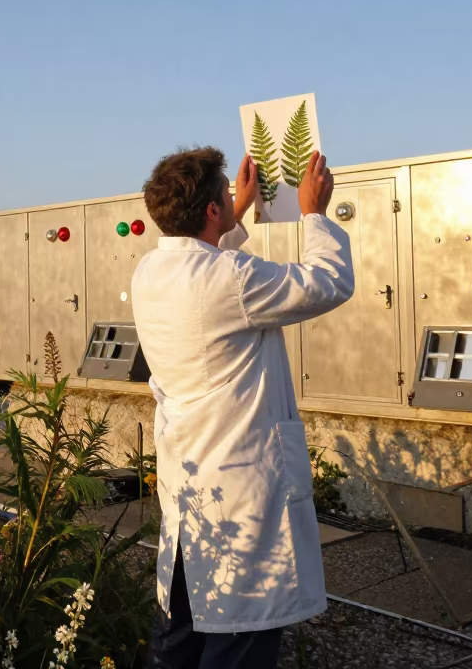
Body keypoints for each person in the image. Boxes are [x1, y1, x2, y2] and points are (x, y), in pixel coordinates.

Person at [131, 147, 354, 669]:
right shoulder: (232, 278)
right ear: (210, 211)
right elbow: (327, 282)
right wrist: (315, 213)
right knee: (240, 642)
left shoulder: (150, 273)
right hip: (242, 491)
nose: (232, 198)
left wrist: (238, 207)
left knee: (180, 633)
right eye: (225, 195)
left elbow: (204, 268)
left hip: (188, 485)